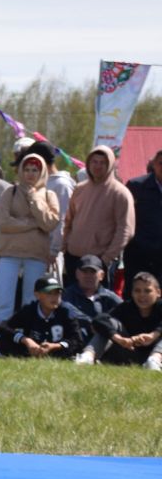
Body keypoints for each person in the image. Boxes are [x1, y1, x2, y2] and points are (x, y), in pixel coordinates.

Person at [0, 150, 60, 356]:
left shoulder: (48, 195)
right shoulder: (10, 192)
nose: (30, 174)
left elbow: (49, 223)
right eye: (26, 169)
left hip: (36, 255)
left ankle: (29, 347)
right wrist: (31, 224)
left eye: (35, 170)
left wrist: (35, 198)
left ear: (42, 172)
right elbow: (3, 223)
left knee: (32, 302)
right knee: (2, 302)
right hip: (9, 254)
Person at [63, 145, 134, 289]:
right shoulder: (80, 188)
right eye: (94, 162)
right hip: (73, 258)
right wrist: (65, 245)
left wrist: (106, 259)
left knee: (100, 307)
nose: (98, 166)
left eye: (103, 162)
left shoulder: (120, 193)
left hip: (100, 262)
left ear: (110, 165)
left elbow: (126, 230)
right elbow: (69, 220)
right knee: (71, 306)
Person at [0, 275, 87, 360]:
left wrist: (55, 346)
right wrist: (26, 340)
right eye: (50, 293)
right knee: (3, 341)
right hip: (32, 349)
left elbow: (77, 340)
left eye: (57, 293)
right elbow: (2, 327)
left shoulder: (66, 311)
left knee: (73, 347)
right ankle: (27, 357)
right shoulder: (29, 310)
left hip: (57, 350)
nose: (54, 297)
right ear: (37, 295)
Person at [88, 271, 161, 370]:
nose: (142, 295)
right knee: (108, 324)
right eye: (137, 291)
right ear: (132, 293)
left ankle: (154, 361)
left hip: (156, 354)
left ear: (158, 293)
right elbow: (99, 319)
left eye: (147, 291)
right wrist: (119, 339)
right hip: (129, 352)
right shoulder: (127, 307)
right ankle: (88, 356)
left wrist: (153, 335)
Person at [125, 150, 162, 285]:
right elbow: (126, 219)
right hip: (139, 254)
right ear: (154, 165)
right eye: (161, 163)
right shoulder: (136, 186)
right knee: (136, 296)